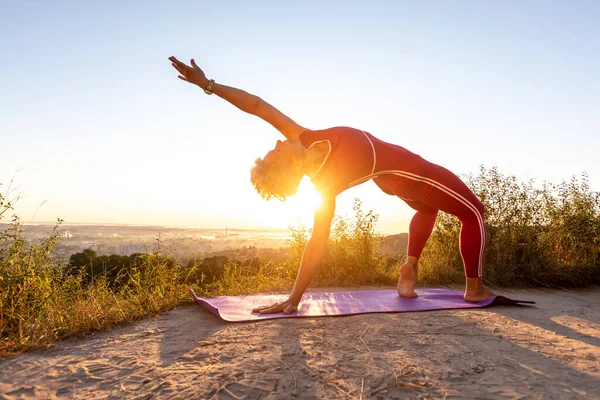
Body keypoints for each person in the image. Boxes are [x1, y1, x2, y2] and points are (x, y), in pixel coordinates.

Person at [169, 56, 495, 315]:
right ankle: (474, 288)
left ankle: (408, 269)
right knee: (474, 213)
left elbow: (257, 106)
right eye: (276, 150)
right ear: (289, 165)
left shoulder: (306, 139)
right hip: (415, 173)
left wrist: (208, 85)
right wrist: (293, 298)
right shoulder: (324, 185)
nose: (279, 141)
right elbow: (316, 244)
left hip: (394, 181)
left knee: (427, 207)